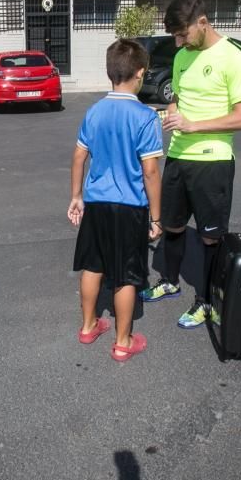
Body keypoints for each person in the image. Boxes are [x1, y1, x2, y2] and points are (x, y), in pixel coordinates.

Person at [138, 0, 241, 329]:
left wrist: (195, 125)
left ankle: (206, 301)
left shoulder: (234, 56)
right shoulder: (182, 57)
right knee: (172, 226)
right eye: (175, 37)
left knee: (209, 237)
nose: (178, 42)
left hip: (213, 162)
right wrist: (170, 115)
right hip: (178, 157)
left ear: (202, 22)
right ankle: (170, 282)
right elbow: (177, 98)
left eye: (183, 35)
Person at [68, 39, 163, 362]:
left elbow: (79, 156)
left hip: (96, 203)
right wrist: (156, 216)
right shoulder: (146, 117)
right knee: (124, 274)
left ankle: (88, 325)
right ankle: (123, 342)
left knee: (93, 265)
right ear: (139, 73)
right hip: (129, 207)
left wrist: (77, 196)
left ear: (110, 72)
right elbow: (150, 171)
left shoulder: (94, 112)